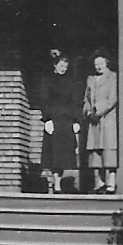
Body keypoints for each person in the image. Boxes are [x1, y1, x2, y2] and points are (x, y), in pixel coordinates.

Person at [38, 49, 80, 194]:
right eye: (61, 66)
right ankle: (55, 184)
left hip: (66, 121)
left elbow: (75, 102)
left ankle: (59, 183)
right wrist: (47, 119)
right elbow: (44, 100)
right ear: (55, 65)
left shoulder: (71, 83)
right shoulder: (47, 80)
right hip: (54, 120)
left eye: (65, 67)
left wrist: (76, 120)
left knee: (63, 155)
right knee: (54, 154)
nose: (63, 69)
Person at [82, 50, 119, 193]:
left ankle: (111, 182)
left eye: (101, 63)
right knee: (94, 150)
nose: (98, 66)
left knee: (109, 149)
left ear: (107, 63)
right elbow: (86, 98)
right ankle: (99, 182)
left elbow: (113, 99)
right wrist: (89, 112)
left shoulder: (113, 77)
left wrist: (99, 110)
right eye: (96, 64)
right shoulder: (90, 79)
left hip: (107, 118)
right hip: (94, 120)